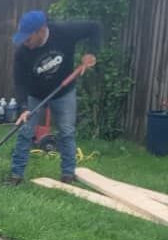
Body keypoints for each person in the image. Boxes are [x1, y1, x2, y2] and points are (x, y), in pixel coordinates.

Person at [10, 10, 100, 185]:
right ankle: (16, 176)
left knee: (66, 132)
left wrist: (91, 52)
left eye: (28, 38)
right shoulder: (22, 53)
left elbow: (95, 27)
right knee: (25, 132)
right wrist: (24, 108)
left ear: (41, 30)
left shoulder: (64, 31)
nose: (25, 43)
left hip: (64, 92)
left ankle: (68, 174)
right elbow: (20, 83)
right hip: (35, 95)